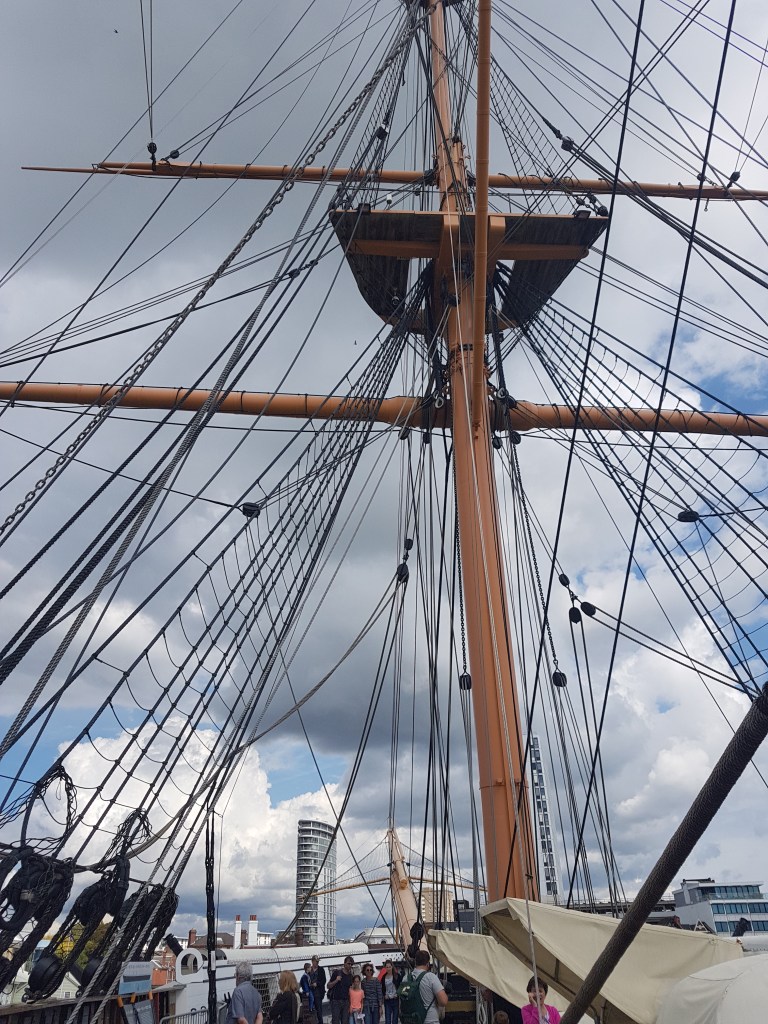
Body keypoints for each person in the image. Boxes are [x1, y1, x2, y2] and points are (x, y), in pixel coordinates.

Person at [410, 949, 448, 1024]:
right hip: (429, 1020)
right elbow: (443, 1001)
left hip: (412, 1019)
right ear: (427, 963)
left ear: (415, 962)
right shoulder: (431, 977)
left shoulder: (406, 978)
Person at [328, 955, 355, 1024]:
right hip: (336, 1001)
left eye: (351, 964)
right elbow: (328, 986)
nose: (350, 965)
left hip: (346, 1002)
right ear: (344, 963)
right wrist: (336, 980)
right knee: (336, 1021)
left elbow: (350, 990)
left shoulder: (351, 976)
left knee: (345, 1021)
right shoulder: (337, 973)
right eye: (349, 963)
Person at [380, 959, 402, 1024]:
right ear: (385, 968)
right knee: (388, 1020)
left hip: (395, 999)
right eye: (387, 967)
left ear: (392, 967)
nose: (388, 968)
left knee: (395, 1020)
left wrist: (398, 994)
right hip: (387, 1000)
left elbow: (400, 986)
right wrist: (384, 995)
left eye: (389, 967)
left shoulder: (397, 976)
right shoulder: (383, 977)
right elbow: (382, 988)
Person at [312, 956, 327, 1022]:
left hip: (318, 992)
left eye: (318, 962)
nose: (317, 963)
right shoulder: (310, 969)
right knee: (312, 1010)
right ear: (312, 961)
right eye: (316, 961)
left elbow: (324, 980)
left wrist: (317, 984)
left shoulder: (321, 969)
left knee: (319, 1010)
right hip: (311, 991)